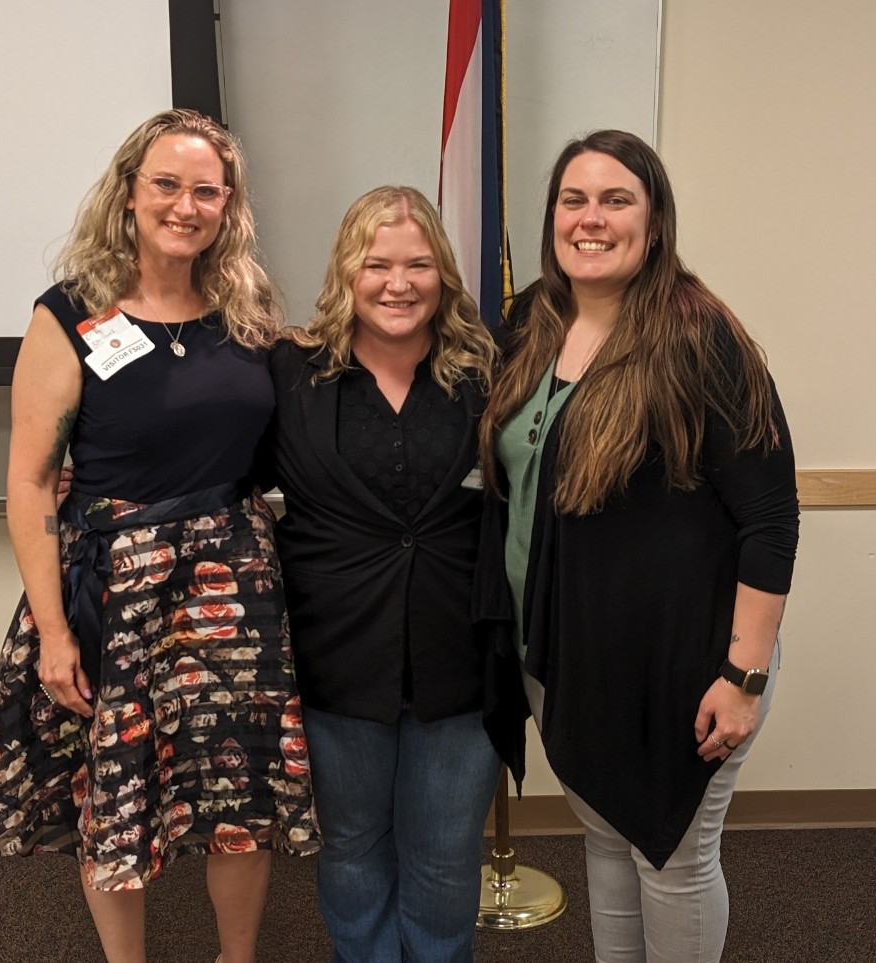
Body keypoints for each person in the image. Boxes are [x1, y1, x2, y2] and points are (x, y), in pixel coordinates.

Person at [0, 108, 317, 963]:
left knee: (240, 786)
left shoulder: (249, 314)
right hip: (117, 591)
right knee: (114, 789)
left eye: (205, 190)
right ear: (128, 194)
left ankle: (237, 955)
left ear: (228, 206)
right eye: (165, 184)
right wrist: (51, 629)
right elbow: (32, 479)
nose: (184, 205)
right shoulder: (70, 314)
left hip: (233, 581)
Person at [477, 130, 800, 963]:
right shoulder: (530, 324)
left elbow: (770, 518)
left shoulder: (701, 340)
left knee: (675, 859)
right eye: (573, 200)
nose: (592, 219)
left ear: (654, 222)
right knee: (608, 840)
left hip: (681, 664)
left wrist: (743, 677)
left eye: (616, 200)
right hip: (562, 652)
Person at [262, 186, 503, 963]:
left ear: (444, 275)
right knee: (354, 846)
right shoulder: (290, 375)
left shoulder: (487, 375)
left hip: (461, 655)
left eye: (418, 264)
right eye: (377, 264)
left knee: (442, 856)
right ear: (346, 272)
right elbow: (217, 462)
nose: (398, 283)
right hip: (335, 655)